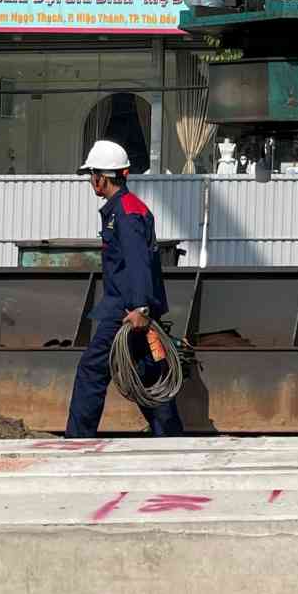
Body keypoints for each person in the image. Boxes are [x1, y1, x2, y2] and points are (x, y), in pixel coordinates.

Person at [65, 139, 183, 437]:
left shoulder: (127, 213)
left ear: (101, 177)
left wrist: (140, 309)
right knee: (147, 373)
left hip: (126, 309)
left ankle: (77, 442)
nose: (91, 181)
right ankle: (170, 438)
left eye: (92, 175)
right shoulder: (123, 209)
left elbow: (138, 263)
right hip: (127, 307)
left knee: (92, 370)